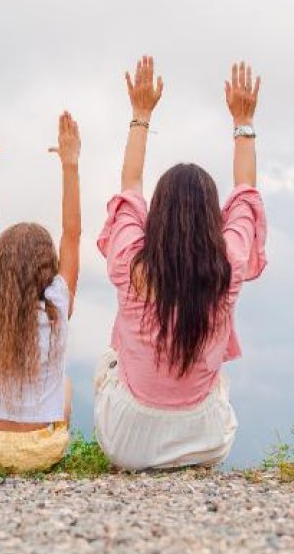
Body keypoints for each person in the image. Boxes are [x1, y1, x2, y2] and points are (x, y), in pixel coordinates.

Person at [94, 56, 268, 470]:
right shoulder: (229, 265)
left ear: (157, 214)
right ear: (213, 215)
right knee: (216, 382)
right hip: (203, 442)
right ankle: (187, 451)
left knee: (108, 361)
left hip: (127, 444)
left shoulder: (129, 263)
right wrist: (243, 122)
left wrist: (140, 114)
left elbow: (130, 186)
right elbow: (246, 193)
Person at [0, 113, 81, 472]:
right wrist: (70, 165)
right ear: (49, 270)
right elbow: (71, 235)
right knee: (68, 386)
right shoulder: (57, 307)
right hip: (38, 453)